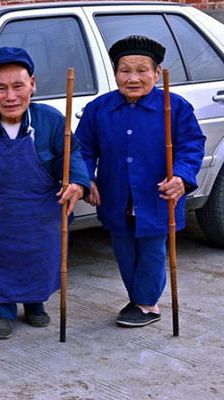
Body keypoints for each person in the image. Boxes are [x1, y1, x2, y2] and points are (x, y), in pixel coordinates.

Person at [0, 47, 91, 339]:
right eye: (0, 88)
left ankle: (35, 305)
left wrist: (77, 183)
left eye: (18, 86)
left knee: (39, 259)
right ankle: (1, 312)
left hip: (41, 211)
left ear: (33, 84)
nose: (10, 96)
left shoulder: (51, 120)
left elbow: (72, 155)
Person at [75, 35, 205, 327]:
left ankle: (147, 304)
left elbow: (192, 145)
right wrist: (85, 178)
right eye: (125, 70)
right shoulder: (100, 109)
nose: (133, 78)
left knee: (151, 249)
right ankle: (139, 299)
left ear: (157, 73)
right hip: (116, 194)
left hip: (157, 194)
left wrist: (181, 178)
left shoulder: (176, 107)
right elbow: (83, 148)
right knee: (124, 249)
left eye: (142, 70)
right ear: (115, 73)